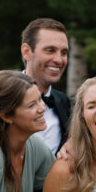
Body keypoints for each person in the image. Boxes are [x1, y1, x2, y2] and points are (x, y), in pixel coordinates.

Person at [21, 17, 71, 154]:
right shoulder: (2, 96)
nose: (59, 60)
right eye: (50, 50)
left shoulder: (65, 103)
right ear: (26, 52)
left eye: (64, 53)